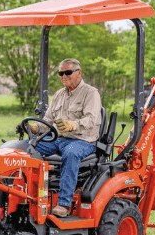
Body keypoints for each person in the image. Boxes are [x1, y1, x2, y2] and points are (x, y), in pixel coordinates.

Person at [19, 58, 102, 217]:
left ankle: (63, 204)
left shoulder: (91, 93)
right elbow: (48, 122)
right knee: (25, 147)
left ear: (79, 73)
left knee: (71, 153)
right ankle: (23, 195)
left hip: (83, 141)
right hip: (57, 139)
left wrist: (73, 125)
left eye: (68, 72)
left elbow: (93, 120)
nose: (64, 76)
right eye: (61, 73)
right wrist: (34, 128)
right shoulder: (58, 94)